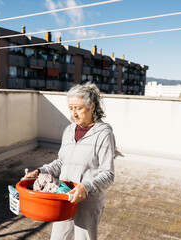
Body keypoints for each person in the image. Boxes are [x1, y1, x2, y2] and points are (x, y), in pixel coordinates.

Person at [22, 82, 115, 240]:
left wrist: (85, 188)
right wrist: (40, 172)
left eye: (78, 108)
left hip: (88, 202)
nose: (74, 114)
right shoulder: (69, 130)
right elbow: (61, 163)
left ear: (91, 107)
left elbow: (108, 174)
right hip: (63, 198)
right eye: (71, 108)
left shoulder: (103, 134)